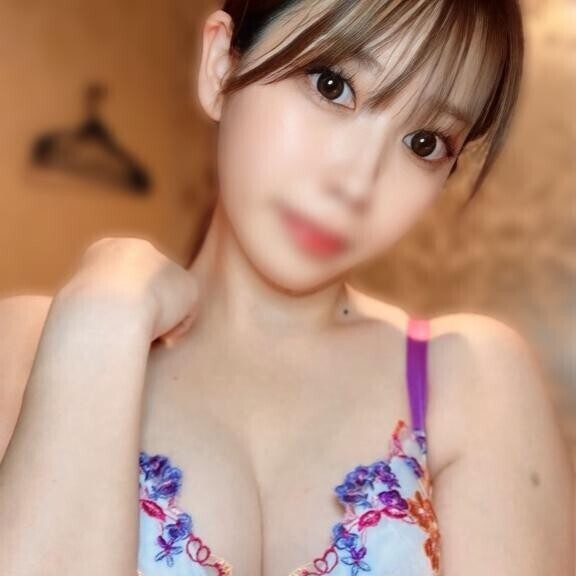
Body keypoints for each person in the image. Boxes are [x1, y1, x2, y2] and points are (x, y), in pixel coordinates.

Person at [0, 1, 573, 575]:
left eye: (424, 143)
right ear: (220, 66)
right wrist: (100, 319)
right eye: (332, 86)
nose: (356, 182)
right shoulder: (27, 349)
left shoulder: (471, 382)